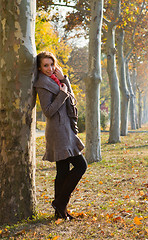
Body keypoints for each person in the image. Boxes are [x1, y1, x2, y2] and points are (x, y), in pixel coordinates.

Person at [34, 51, 87, 220]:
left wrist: (64, 79)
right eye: (45, 65)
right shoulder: (42, 84)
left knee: (62, 171)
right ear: (40, 68)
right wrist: (62, 93)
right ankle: (60, 203)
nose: (50, 68)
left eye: (52, 64)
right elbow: (48, 111)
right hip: (58, 131)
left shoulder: (56, 80)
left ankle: (60, 212)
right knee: (81, 165)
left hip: (66, 129)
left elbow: (72, 99)